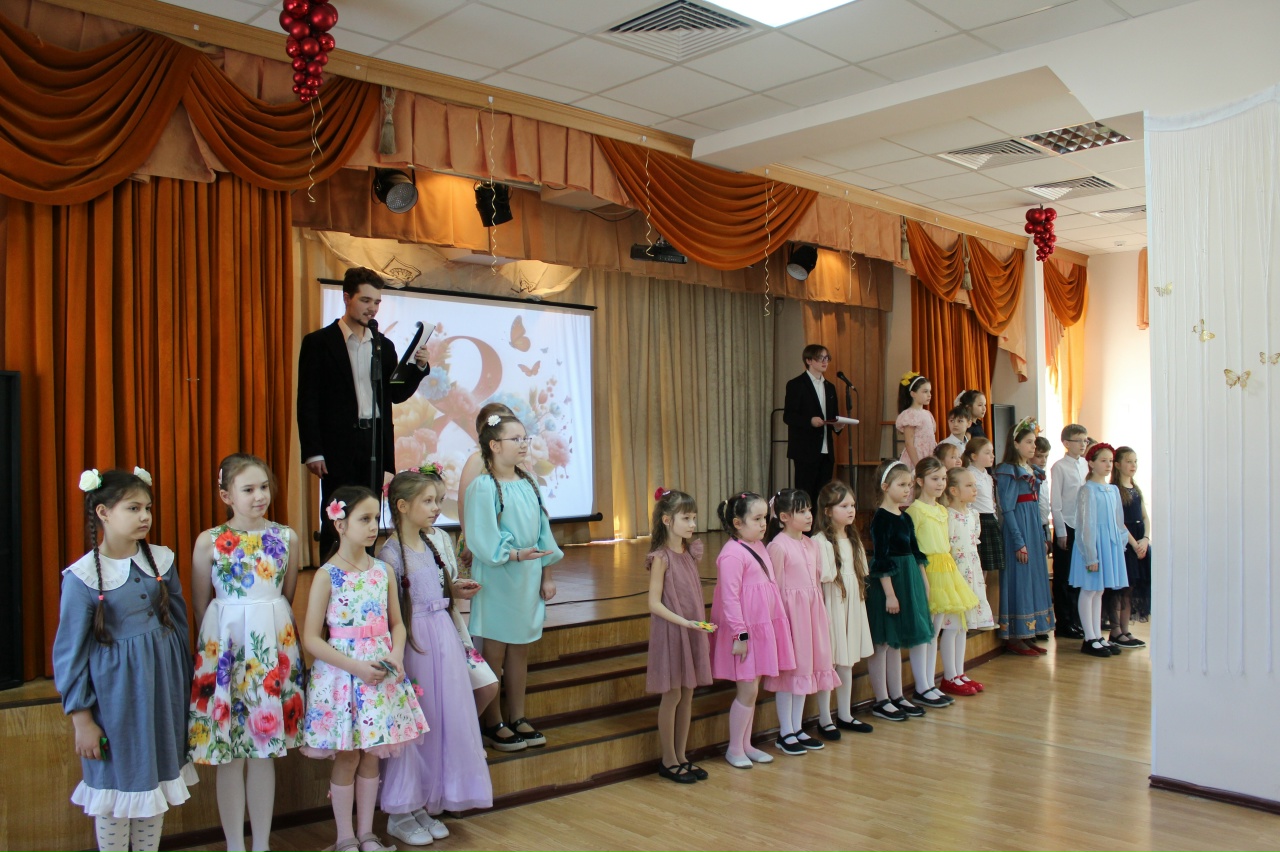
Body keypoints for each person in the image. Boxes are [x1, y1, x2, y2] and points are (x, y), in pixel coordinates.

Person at [53, 468, 196, 852]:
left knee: (155, 786)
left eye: (147, 507)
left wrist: (185, 693)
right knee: (116, 791)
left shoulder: (161, 561)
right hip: (115, 704)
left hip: (161, 697)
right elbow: (69, 654)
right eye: (133, 508)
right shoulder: (82, 578)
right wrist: (82, 720)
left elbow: (180, 627)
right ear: (103, 512)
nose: (145, 516)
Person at [301, 486, 428, 852]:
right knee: (348, 755)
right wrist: (355, 667)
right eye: (364, 519)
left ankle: (368, 834)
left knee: (372, 754)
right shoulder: (327, 575)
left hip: (379, 673)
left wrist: (397, 654)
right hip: (344, 675)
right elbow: (311, 638)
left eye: (376, 518)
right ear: (340, 524)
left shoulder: (383, 571)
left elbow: (397, 624)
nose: (373, 526)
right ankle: (345, 838)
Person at [188, 455, 304, 852]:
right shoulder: (209, 541)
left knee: (262, 749)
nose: (259, 496)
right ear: (226, 495)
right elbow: (201, 602)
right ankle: (235, 845)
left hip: (271, 644)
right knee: (231, 753)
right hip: (226, 646)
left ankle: (262, 845)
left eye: (264, 487)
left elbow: (287, 592)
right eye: (248, 489)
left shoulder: (286, 537)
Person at [379, 468, 493, 845]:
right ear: (402, 506)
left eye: (436, 501)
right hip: (416, 641)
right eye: (427, 501)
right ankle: (400, 809)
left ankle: (424, 800)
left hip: (442, 635)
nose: (435, 508)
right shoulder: (391, 554)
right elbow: (393, 608)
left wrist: (454, 591)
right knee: (416, 722)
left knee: (441, 720)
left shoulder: (430, 545)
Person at [298, 266, 432, 555]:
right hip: (337, 444)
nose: (372, 308)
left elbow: (396, 394)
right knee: (337, 512)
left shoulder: (383, 346)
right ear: (347, 298)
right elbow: (308, 399)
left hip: (374, 442)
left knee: (369, 513)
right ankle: (333, 574)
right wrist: (313, 450)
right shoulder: (319, 343)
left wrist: (418, 368)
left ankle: (367, 573)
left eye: (377, 302)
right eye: (365, 300)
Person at [465, 414, 563, 752]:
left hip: (527, 575)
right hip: (498, 575)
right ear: (494, 445)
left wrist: (546, 573)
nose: (523, 444)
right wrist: (515, 554)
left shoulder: (529, 481)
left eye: (525, 438)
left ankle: (517, 716)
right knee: (494, 650)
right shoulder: (483, 486)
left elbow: (543, 531)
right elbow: (482, 537)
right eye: (515, 439)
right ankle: (493, 721)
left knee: (520, 647)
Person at [710, 492, 794, 769]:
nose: (763, 524)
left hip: (760, 628)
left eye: (764, 518)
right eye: (756, 519)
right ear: (737, 523)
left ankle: (746, 745)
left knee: (753, 690)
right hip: (744, 632)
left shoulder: (758, 546)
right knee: (746, 691)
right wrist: (741, 636)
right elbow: (729, 599)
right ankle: (734, 748)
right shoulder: (731, 555)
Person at [764, 489, 840, 755]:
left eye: (809, 510)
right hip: (791, 617)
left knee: (805, 669)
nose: (809, 515)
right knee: (790, 672)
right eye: (801, 511)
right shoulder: (777, 546)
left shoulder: (811, 544)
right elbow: (775, 588)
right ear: (784, 517)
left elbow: (815, 583)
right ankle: (785, 731)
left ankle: (796, 728)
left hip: (810, 614)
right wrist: (779, 623)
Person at [645, 488, 713, 784]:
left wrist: (700, 624)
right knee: (672, 695)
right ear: (667, 520)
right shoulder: (661, 557)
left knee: (687, 693)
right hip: (672, 632)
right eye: (686, 518)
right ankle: (668, 759)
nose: (692, 524)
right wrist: (685, 623)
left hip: (691, 630)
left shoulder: (690, 553)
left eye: (694, 518)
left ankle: (682, 756)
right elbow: (654, 603)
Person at [865, 462, 935, 722]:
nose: (907, 490)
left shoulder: (905, 517)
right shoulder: (881, 519)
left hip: (908, 579)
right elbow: (881, 558)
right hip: (890, 583)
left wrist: (924, 582)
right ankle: (881, 699)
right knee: (883, 642)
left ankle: (897, 695)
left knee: (895, 643)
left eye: (909, 485)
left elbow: (915, 552)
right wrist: (890, 594)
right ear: (885, 487)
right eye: (902, 485)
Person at [907, 458, 979, 703]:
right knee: (927, 631)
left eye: (943, 479)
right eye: (934, 479)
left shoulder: (941, 510)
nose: (940, 484)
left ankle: (930, 682)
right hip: (928, 571)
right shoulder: (915, 511)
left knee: (936, 630)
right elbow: (915, 548)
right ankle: (922, 686)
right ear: (920, 481)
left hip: (945, 569)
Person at [811, 481, 874, 738]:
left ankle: (845, 714)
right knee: (830, 662)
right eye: (844, 506)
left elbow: (860, 573)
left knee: (846, 662)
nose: (851, 510)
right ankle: (824, 719)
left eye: (852, 505)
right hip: (831, 604)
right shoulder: (818, 542)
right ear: (827, 511)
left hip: (851, 603)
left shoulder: (853, 538)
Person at [1068, 444, 1136, 658]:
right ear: (1091, 463)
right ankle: (1089, 638)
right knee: (1089, 589)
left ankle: (1097, 635)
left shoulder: (1113, 490)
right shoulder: (1087, 490)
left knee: (1099, 591)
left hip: (1108, 544)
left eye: (1110, 461)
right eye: (1103, 460)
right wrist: (1091, 555)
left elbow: (1118, 521)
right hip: (1094, 545)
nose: (1108, 465)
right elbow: (1085, 525)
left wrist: (1120, 543)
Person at [995, 419, 1056, 655]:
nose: (1033, 447)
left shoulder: (1031, 470)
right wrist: (1018, 541)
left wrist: (1041, 533)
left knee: (1033, 578)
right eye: (1029, 442)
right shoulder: (1008, 471)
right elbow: (1007, 509)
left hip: (1032, 526)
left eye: (1034, 442)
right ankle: (1015, 635)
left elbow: (1037, 505)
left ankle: (1028, 632)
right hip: (1018, 528)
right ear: (1016, 443)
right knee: (1019, 579)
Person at [941, 466, 995, 692]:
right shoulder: (947, 516)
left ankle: (959, 673)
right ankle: (949, 676)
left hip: (971, 573)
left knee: (963, 626)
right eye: (969, 485)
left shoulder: (973, 515)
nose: (975, 489)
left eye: (975, 485)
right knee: (952, 626)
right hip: (955, 576)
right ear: (953, 490)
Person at [783, 344, 844, 507]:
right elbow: (789, 416)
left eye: (827, 358)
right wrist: (809, 421)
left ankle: (820, 524)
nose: (825, 362)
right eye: (820, 358)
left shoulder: (830, 387)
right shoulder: (796, 384)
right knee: (805, 494)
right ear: (809, 360)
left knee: (823, 496)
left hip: (826, 450)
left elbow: (833, 416)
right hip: (805, 450)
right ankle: (804, 524)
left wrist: (837, 426)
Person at [1050, 424, 1090, 640]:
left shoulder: (1086, 464)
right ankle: (1064, 622)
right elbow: (1056, 502)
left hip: (1084, 526)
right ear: (1066, 443)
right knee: (1064, 576)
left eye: (1085, 440)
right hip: (1068, 525)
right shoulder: (1059, 467)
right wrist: (1061, 531)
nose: (1083, 444)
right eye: (1079, 440)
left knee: (1080, 576)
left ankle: (1078, 619)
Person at [1111, 447, 1152, 628]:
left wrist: (1145, 539)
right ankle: (1116, 630)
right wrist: (1135, 544)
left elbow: (1145, 517)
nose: (1133, 465)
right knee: (1122, 588)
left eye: (1135, 461)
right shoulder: (1115, 490)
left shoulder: (1136, 489)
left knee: (1132, 588)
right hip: (1126, 543)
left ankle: (1125, 629)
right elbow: (1119, 521)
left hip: (1139, 540)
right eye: (1128, 461)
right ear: (1118, 465)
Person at [964, 438, 1005, 584]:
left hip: (989, 519)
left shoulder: (988, 477)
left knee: (986, 566)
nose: (992, 456)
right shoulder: (969, 474)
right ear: (974, 456)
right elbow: (968, 502)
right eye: (987, 453)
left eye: (992, 452)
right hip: (977, 519)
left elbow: (991, 500)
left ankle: (983, 592)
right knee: (977, 562)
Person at [896, 371, 936, 469]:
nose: (929, 395)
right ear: (913, 394)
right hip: (916, 458)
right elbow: (909, 443)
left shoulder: (927, 414)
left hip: (929, 455)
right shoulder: (910, 415)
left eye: (930, 391)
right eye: (925, 391)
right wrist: (918, 465)